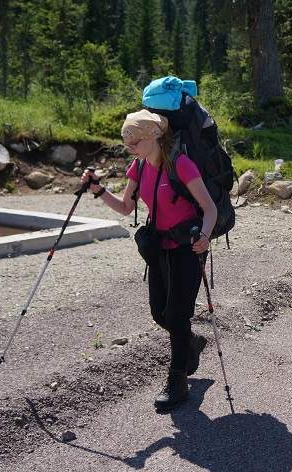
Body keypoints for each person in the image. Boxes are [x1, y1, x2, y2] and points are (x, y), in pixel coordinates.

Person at [81, 109, 217, 411]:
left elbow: (209, 208)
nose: (129, 148)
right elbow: (126, 207)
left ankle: (178, 381)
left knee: (177, 316)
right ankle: (191, 343)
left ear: (153, 136)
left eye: (134, 141)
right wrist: (98, 189)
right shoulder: (138, 167)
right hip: (158, 247)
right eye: (126, 142)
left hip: (187, 247)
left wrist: (205, 236)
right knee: (160, 314)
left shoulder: (181, 164)